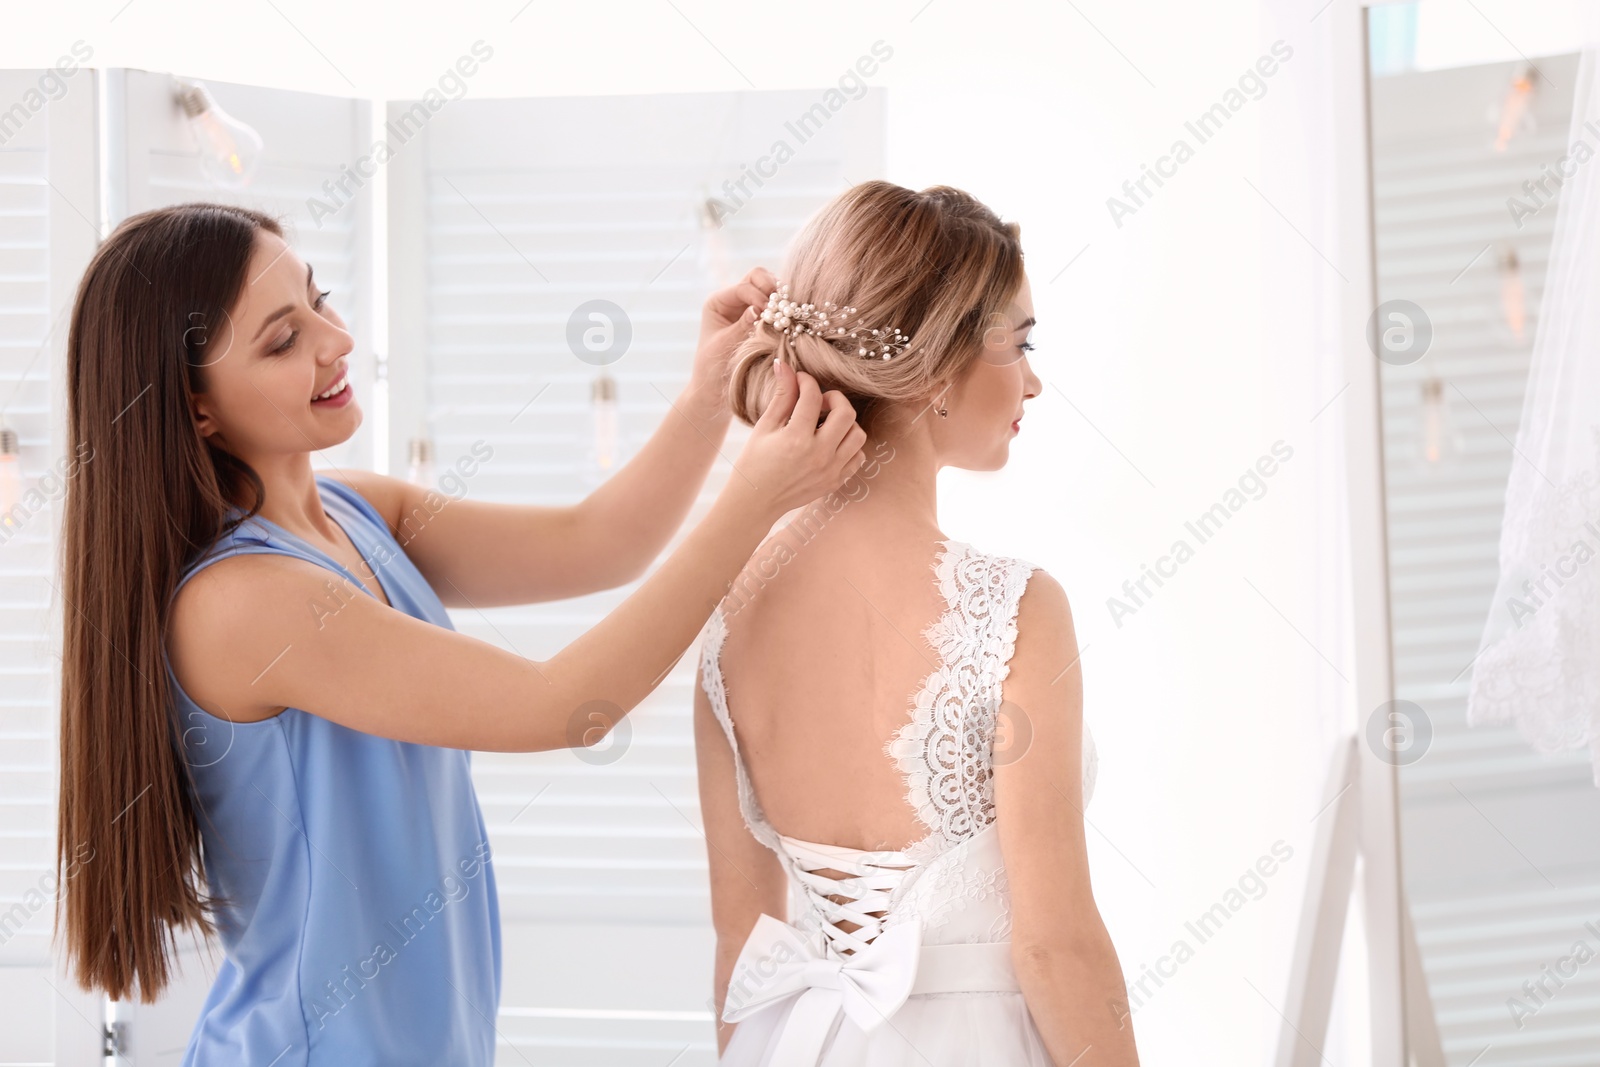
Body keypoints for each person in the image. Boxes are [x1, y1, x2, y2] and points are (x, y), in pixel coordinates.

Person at [53, 202, 865, 1066]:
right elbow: (564, 706)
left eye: (319, 301)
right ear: (198, 409)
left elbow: (598, 540)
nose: (337, 341)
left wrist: (708, 393)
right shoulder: (241, 602)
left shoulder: (361, 513)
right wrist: (756, 498)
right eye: (282, 341)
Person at [693, 181, 1139, 1065]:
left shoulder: (725, 616)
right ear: (936, 370)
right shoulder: (1017, 612)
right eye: (1020, 343)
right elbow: (1054, 948)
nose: (1035, 381)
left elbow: (742, 942)